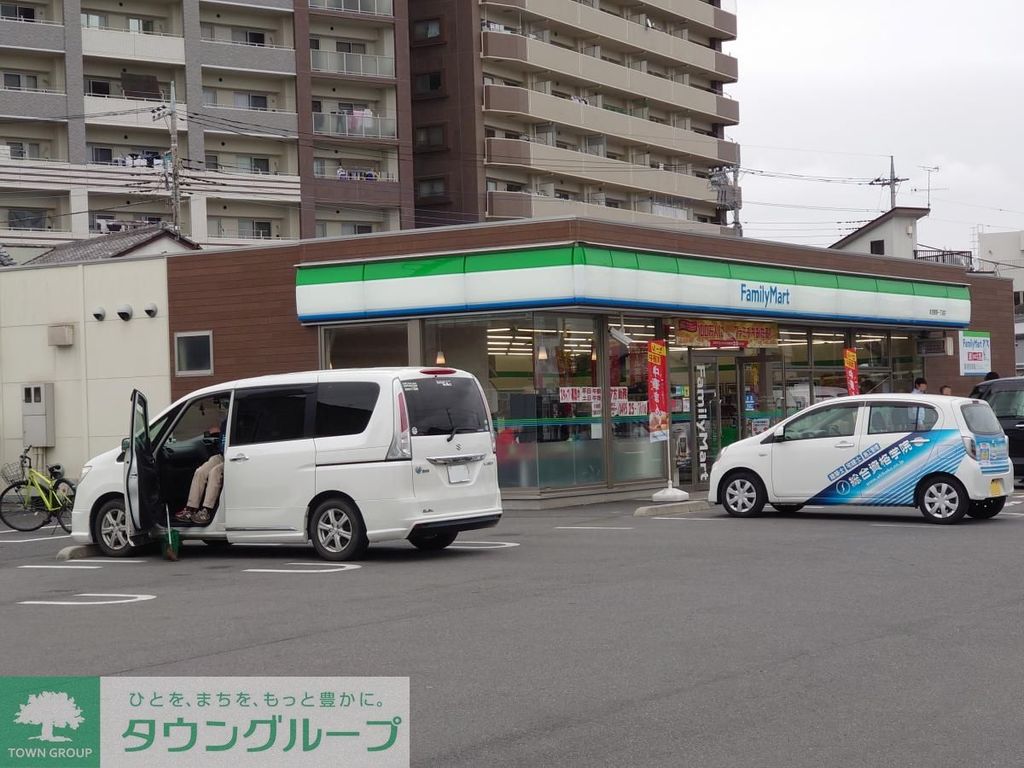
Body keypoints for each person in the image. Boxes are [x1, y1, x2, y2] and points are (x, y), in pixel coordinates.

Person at [175, 419, 226, 525]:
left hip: (231, 455)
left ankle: (206, 510)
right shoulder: (225, 422)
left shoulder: (241, 420)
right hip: (222, 455)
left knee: (214, 472)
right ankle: (191, 509)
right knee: (200, 471)